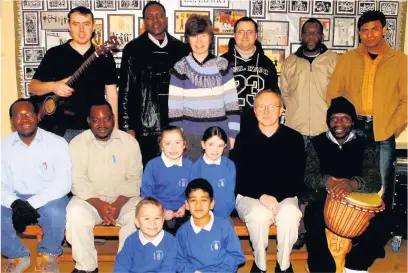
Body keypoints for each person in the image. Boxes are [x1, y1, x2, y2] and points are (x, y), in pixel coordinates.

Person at [327, 10, 407, 210]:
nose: (369, 34)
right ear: (359, 33)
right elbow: (334, 95)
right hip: (353, 129)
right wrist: (343, 123)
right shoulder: (347, 59)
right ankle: (351, 234)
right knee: (350, 180)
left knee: (382, 185)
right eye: (364, 30)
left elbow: (406, 99)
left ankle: (377, 235)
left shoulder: (400, 61)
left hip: (383, 130)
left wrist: (393, 127)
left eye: (374, 29)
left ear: (384, 30)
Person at [304, 97, 390, 273]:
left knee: (385, 220)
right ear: (328, 121)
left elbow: (375, 180)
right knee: (312, 217)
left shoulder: (364, 144)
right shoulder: (316, 143)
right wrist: (329, 181)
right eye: (334, 118)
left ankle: (355, 265)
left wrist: (353, 183)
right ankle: (321, 268)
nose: (339, 123)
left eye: (345, 118)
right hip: (323, 196)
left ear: (352, 121)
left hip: (357, 198)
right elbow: (308, 177)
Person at [231, 90, 306, 273]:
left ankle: (283, 265)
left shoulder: (294, 138)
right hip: (249, 196)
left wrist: (275, 200)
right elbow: (239, 178)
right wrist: (262, 196)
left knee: (290, 215)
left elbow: (297, 178)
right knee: (259, 215)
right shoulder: (244, 139)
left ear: (281, 110)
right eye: (261, 107)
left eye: (272, 106)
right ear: (254, 111)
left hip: (285, 196)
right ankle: (260, 264)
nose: (266, 111)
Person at [66, 102, 143, 273]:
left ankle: (125, 266)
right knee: (75, 213)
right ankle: (86, 267)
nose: (102, 124)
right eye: (96, 120)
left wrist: (117, 205)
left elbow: (134, 178)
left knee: (140, 213)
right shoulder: (77, 144)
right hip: (90, 202)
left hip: (123, 201)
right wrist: (100, 205)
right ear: (88, 121)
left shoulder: (129, 142)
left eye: (107, 118)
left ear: (113, 119)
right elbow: (77, 181)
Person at [1, 98, 72, 273]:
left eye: (28, 114)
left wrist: (29, 205)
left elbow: (63, 183)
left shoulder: (57, 143)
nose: (24, 120)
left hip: (49, 196)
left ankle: (49, 254)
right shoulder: (2, 146)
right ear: (11, 121)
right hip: (16, 196)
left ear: (37, 116)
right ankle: (16, 254)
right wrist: (15, 203)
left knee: (56, 212)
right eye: (18, 116)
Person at [29, 6, 118, 142]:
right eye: (76, 24)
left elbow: (112, 96)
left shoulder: (105, 57)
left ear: (93, 27)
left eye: (86, 24)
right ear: (69, 27)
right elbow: (33, 87)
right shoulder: (55, 54)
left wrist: (115, 131)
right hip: (62, 131)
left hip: (96, 129)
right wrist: (53, 86)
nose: (81, 30)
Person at [119, 1, 190, 167]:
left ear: (166, 18)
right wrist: (127, 127)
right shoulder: (133, 49)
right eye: (150, 17)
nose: (156, 20)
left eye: (159, 15)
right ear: (144, 21)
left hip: (176, 124)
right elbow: (125, 91)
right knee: (148, 171)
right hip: (145, 126)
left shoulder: (181, 49)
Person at [168, 14, 240, 162]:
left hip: (218, 136)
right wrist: (178, 138)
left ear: (211, 38)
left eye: (203, 35)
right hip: (190, 138)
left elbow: (232, 104)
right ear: (188, 39)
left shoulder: (222, 65)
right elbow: (175, 110)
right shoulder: (180, 68)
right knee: (192, 183)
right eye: (194, 36)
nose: (199, 41)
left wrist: (233, 134)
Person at [281, 18, 338, 147]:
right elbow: (285, 94)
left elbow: (341, 93)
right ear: (301, 36)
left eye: (315, 32)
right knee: (295, 167)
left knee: (325, 167)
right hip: (295, 129)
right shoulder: (290, 62)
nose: (311, 36)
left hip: (325, 129)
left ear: (322, 36)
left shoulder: (334, 60)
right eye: (307, 33)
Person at [221, 17, 278, 133]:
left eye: (250, 32)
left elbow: (274, 98)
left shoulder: (266, 63)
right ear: (234, 35)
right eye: (241, 32)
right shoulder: (221, 63)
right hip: (228, 127)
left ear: (256, 36)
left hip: (259, 128)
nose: (245, 36)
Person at [176, 179, 245, 273]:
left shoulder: (224, 227)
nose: (198, 205)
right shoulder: (182, 232)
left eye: (203, 200)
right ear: (187, 205)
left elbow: (236, 256)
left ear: (211, 204)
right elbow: (179, 261)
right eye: (193, 200)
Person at [141, 126, 193, 234]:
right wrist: (161, 212)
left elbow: (193, 192)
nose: (173, 148)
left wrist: (186, 206)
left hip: (183, 213)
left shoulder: (189, 165)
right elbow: (146, 194)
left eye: (177, 143)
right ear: (161, 146)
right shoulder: (152, 166)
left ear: (184, 144)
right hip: (156, 212)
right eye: (168, 144)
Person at [113, 197, 177, 273]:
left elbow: (168, 269)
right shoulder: (131, 241)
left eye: (157, 218)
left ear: (163, 220)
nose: (153, 223)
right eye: (147, 218)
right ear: (137, 222)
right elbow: (121, 266)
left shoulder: (170, 242)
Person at [190, 126, 236, 219]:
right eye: (211, 144)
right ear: (203, 144)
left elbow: (230, 197)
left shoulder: (229, 165)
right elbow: (194, 198)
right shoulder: (196, 168)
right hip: (201, 216)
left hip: (224, 215)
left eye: (220, 145)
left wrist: (221, 216)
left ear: (225, 146)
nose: (215, 150)